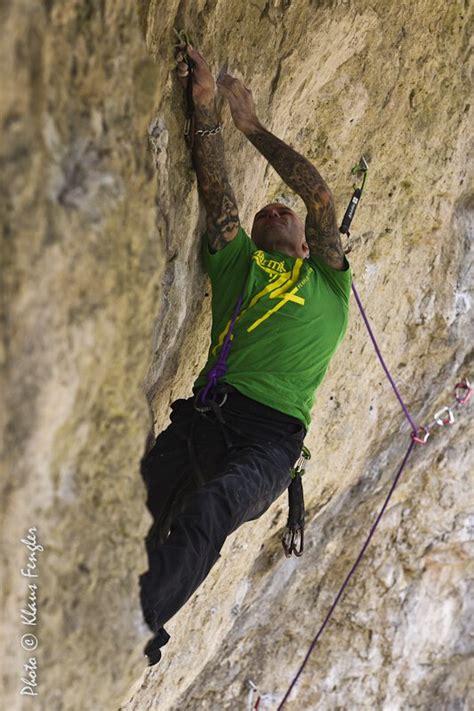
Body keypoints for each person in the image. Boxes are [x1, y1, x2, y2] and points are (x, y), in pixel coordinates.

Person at [138, 44, 352, 666]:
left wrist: (251, 126)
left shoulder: (331, 284)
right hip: (207, 416)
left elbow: (317, 197)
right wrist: (202, 107)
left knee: (211, 508)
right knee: (134, 515)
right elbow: (216, 191)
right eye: (265, 213)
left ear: (309, 246)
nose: (274, 209)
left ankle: (138, 622)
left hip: (271, 441)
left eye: (281, 213)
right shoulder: (238, 263)